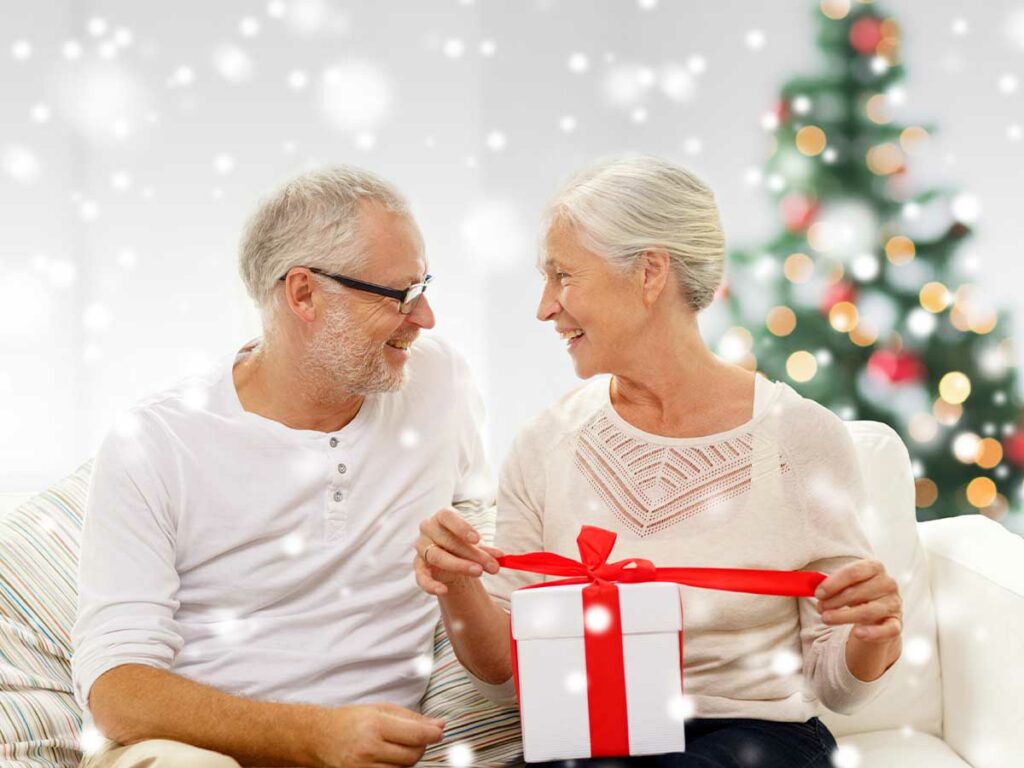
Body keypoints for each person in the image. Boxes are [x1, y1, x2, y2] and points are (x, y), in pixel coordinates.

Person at [413, 156, 902, 767]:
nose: (545, 308)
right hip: (597, 732)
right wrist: (457, 585)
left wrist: (870, 636)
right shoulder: (546, 444)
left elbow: (838, 686)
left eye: (564, 276)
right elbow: (504, 674)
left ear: (649, 273)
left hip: (757, 738)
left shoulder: (800, 440)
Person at [73, 166, 494, 768]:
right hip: (193, 752)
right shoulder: (156, 442)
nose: (424, 317)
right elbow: (117, 692)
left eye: (423, 284)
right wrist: (314, 736)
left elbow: (488, 554)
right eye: (399, 294)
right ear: (303, 294)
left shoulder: (439, 383)